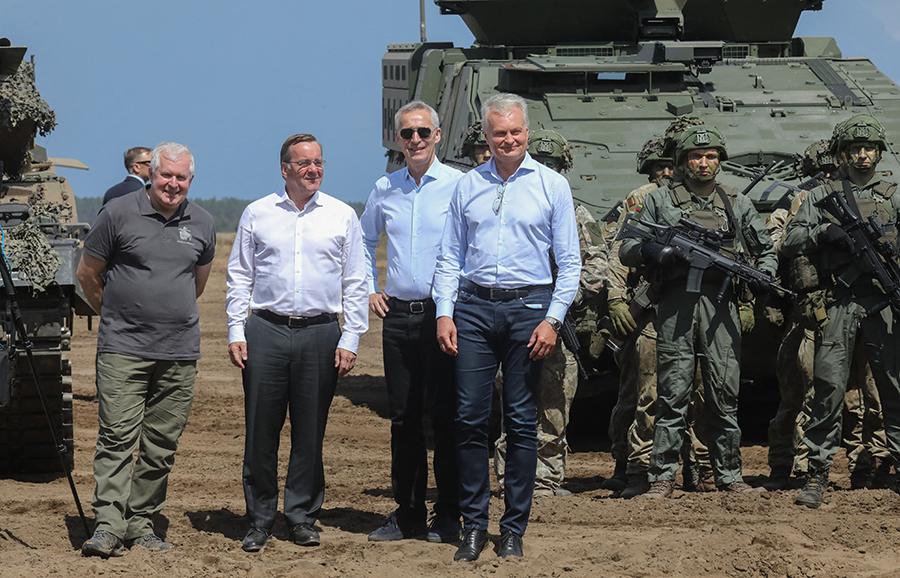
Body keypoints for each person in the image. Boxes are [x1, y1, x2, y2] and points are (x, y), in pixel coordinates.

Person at [433, 93, 580, 561]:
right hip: (473, 309)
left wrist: (552, 319)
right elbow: (450, 256)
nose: (508, 140)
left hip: (529, 310)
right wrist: (443, 311)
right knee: (469, 419)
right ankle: (474, 526)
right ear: (487, 135)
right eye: (499, 133)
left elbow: (570, 262)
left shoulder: (552, 184)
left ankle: (513, 528)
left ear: (527, 133)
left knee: (520, 422)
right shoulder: (467, 185)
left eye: (515, 131)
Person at [226, 134, 368, 550]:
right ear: (285, 168)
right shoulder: (258, 213)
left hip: (322, 333)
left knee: (310, 432)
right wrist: (237, 330)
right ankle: (260, 518)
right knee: (260, 431)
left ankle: (302, 515)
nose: (313, 169)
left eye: (319, 162)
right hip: (266, 330)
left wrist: (352, 336)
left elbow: (356, 281)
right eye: (304, 162)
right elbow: (239, 277)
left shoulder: (342, 215)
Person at [619, 125, 778, 498]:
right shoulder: (660, 200)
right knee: (673, 393)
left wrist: (764, 276)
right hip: (676, 303)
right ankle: (662, 477)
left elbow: (766, 250)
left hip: (721, 304)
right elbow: (627, 245)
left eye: (710, 157)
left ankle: (729, 475)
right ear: (682, 162)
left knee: (724, 392)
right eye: (695, 156)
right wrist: (651, 252)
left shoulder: (736, 203)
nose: (703, 163)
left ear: (719, 160)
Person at [77, 142, 216, 557]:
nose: (173, 184)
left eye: (182, 177)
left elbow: (197, 283)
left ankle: (141, 524)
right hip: (123, 349)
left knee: (160, 445)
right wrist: (119, 314)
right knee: (117, 437)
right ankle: (108, 525)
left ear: (191, 180)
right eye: (166, 175)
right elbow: (87, 274)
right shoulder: (117, 213)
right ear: (150, 174)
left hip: (178, 352)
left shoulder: (203, 223)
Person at [782, 115, 900, 508]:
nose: (862, 155)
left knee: (892, 387)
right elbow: (791, 239)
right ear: (843, 154)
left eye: (869, 148)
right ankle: (817, 473)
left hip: (884, 301)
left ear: (880, 153)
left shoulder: (893, 193)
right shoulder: (821, 195)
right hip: (840, 301)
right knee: (829, 387)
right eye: (854, 149)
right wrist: (823, 233)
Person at [360, 101, 463, 544]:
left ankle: (449, 514)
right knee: (403, 419)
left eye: (423, 132)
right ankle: (407, 513)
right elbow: (363, 240)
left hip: (445, 318)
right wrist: (370, 287)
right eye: (407, 134)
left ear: (438, 135)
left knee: (446, 418)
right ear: (398, 140)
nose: (415, 140)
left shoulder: (460, 185)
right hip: (399, 317)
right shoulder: (385, 187)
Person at [493, 129, 608, 499]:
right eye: (539, 162)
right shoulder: (504, 206)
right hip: (515, 320)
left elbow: (597, 266)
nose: (545, 168)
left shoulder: (576, 213)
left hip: (559, 324)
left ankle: (547, 479)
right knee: (515, 402)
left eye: (552, 163)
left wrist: (561, 300)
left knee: (556, 403)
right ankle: (512, 478)